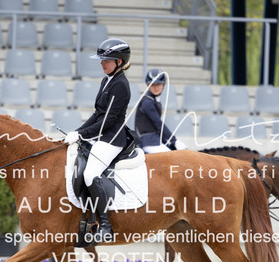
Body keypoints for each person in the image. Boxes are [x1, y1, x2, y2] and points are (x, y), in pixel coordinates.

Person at [63, 38, 132, 243]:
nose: (102, 63)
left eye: (107, 60)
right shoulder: (107, 80)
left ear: (119, 62)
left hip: (112, 138)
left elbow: (108, 121)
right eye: (102, 60)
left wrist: (83, 135)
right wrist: (76, 132)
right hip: (102, 135)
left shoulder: (121, 85)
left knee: (90, 173)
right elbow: (97, 114)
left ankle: (105, 226)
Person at [135, 68, 187, 153]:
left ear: (163, 85)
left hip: (155, 140)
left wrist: (170, 143)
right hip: (148, 142)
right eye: (152, 84)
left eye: (158, 84)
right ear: (148, 85)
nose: (156, 87)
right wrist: (174, 141)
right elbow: (158, 124)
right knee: (172, 157)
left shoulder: (154, 100)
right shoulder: (147, 102)